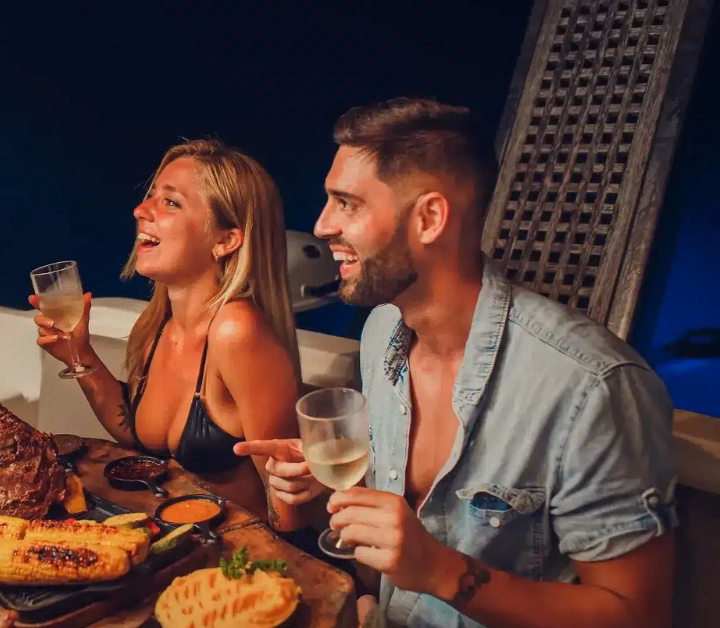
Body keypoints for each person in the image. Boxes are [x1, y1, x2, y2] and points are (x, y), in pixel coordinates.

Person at [237, 97, 677, 627]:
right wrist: (326, 487)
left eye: (346, 203)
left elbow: (637, 615)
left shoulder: (591, 387)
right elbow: (395, 526)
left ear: (429, 218)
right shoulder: (382, 331)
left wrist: (441, 571)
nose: (322, 224)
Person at [29, 139, 310, 535]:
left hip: (238, 553)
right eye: (149, 197)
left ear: (225, 241)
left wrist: (277, 577)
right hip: (174, 541)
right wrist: (81, 355)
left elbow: (285, 493)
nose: (141, 210)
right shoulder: (156, 323)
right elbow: (135, 434)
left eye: (171, 203)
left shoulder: (236, 331)